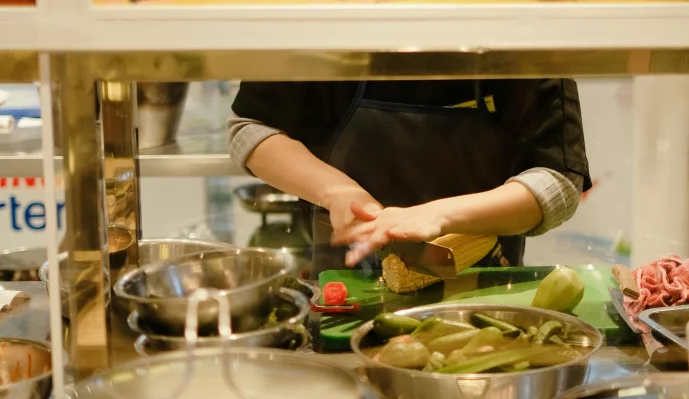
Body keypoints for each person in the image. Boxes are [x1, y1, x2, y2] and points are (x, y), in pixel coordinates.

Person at [228, 79, 590, 273]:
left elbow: (558, 181)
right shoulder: (325, 10)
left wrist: (439, 216)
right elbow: (251, 130)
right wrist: (337, 191)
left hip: (486, 281)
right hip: (345, 282)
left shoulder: (511, 21)